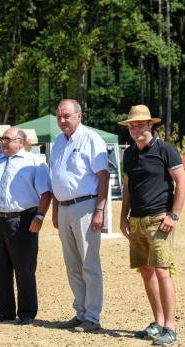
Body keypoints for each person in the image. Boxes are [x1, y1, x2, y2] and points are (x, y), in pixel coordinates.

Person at [118, 105, 185, 345]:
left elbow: (182, 182)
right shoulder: (129, 154)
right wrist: (122, 217)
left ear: (150, 125)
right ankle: (158, 322)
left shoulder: (165, 149)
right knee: (146, 272)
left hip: (160, 220)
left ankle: (171, 326)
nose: (135, 127)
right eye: (132, 125)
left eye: (140, 123)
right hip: (136, 221)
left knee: (161, 271)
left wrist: (174, 215)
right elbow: (127, 188)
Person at [50, 99, 109, 332]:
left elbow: (103, 177)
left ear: (79, 116)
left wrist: (100, 210)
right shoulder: (57, 142)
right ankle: (81, 311)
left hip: (86, 206)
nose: (62, 120)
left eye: (67, 116)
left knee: (89, 263)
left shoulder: (91, 138)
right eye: (59, 116)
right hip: (64, 208)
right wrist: (55, 210)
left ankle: (92, 316)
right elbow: (56, 178)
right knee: (72, 264)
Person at [0, 127, 51, 325]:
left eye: (8, 139)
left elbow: (45, 193)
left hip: (23, 220)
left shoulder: (34, 163)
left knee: (24, 268)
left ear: (21, 142)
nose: (3, 142)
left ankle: (27, 312)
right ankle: (5, 310)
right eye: (2, 139)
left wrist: (39, 216)